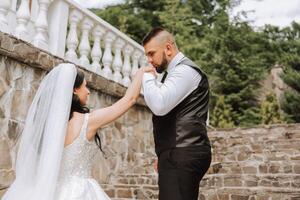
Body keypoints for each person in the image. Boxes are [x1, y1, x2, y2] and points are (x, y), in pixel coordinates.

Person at [2, 63, 154, 200]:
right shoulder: (87, 121)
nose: (88, 92)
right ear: (74, 89)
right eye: (85, 86)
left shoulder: (47, 129)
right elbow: (129, 100)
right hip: (80, 193)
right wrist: (140, 73)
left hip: (51, 191)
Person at [141, 27, 212, 200]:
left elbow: (159, 104)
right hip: (177, 152)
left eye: (152, 54)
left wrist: (147, 77)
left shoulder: (185, 71)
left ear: (168, 48)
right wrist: (164, 153)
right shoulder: (175, 73)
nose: (150, 61)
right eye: (147, 56)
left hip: (183, 152)